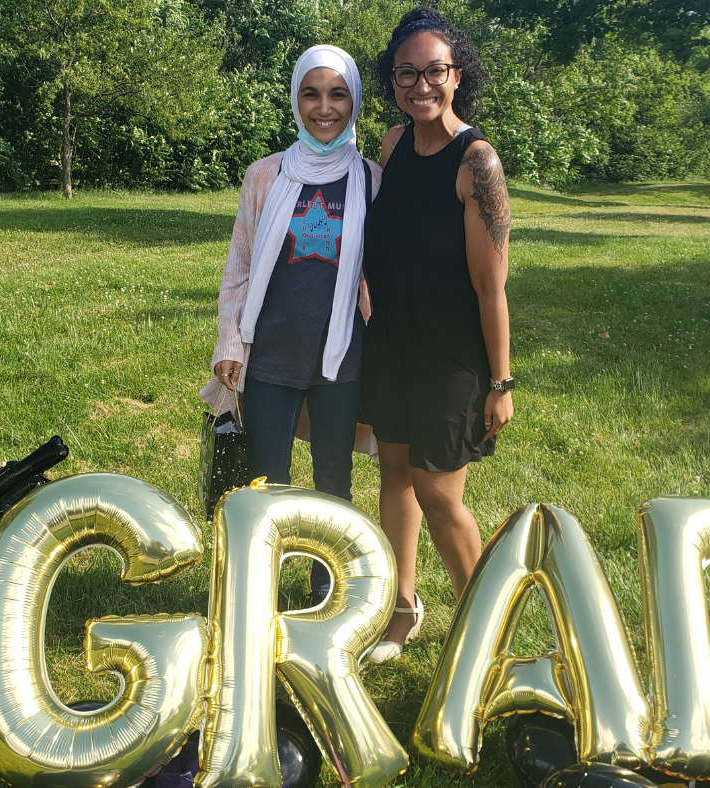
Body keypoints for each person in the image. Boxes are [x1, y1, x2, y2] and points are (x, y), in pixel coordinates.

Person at [200, 45, 381, 603]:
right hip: (271, 357)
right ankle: (258, 596)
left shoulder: (371, 180)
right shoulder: (265, 177)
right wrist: (230, 341)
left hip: (340, 360)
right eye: (312, 93)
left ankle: (330, 597)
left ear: (353, 100)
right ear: (296, 98)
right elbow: (240, 267)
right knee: (264, 483)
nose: (324, 107)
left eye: (337, 94)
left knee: (334, 485)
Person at [360, 7, 513, 662]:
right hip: (390, 341)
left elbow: (490, 286)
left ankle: (486, 635)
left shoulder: (475, 162)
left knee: (440, 494)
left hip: (452, 355)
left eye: (434, 71)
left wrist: (501, 382)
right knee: (394, 473)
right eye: (406, 72)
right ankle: (402, 608)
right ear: (392, 80)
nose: (420, 84)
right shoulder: (393, 147)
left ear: (458, 76)